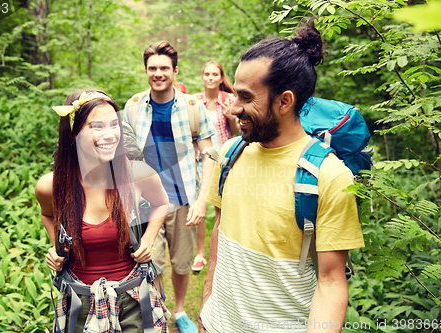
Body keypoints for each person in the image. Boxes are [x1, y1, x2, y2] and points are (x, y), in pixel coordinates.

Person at [200, 24, 365, 333]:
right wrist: (207, 306)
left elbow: (331, 282)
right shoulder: (231, 153)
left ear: (285, 101)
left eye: (246, 97)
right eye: (236, 94)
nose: (234, 108)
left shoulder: (328, 176)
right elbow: (220, 230)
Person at [35, 89, 171, 332]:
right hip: (79, 304)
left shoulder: (137, 174)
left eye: (114, 124)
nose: (110, 135)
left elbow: (162, 203)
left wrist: (148, 241)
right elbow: (48, 213)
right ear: (74, 134)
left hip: (134, 302)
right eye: (96, 126)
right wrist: (57, 245)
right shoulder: (51, 186)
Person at [123, 41, 215, 333]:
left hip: (183, 197)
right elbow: (124, 154)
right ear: (146, 71)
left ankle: (179, 311)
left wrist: (203, 199)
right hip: (146, 202)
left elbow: (210, 153)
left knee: (181, 262)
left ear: (175, 71)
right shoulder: (134, 106)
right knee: (153, 260)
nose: (158, 73)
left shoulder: (192, 107)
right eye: (152, 68)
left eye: (164, 68)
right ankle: (159, 307)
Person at [192, 61, 239, 273]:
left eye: (215, 74)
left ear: (221, 78)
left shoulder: (229, 100)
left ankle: (225, 252)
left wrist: (232, 118)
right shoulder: (194, 101)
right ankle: (200, 253)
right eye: (207, 74)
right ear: (203, 77)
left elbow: (238, 131)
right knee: (200, 203)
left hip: (224, 156)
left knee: (223, 204)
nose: (210, 78)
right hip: (203, 157)